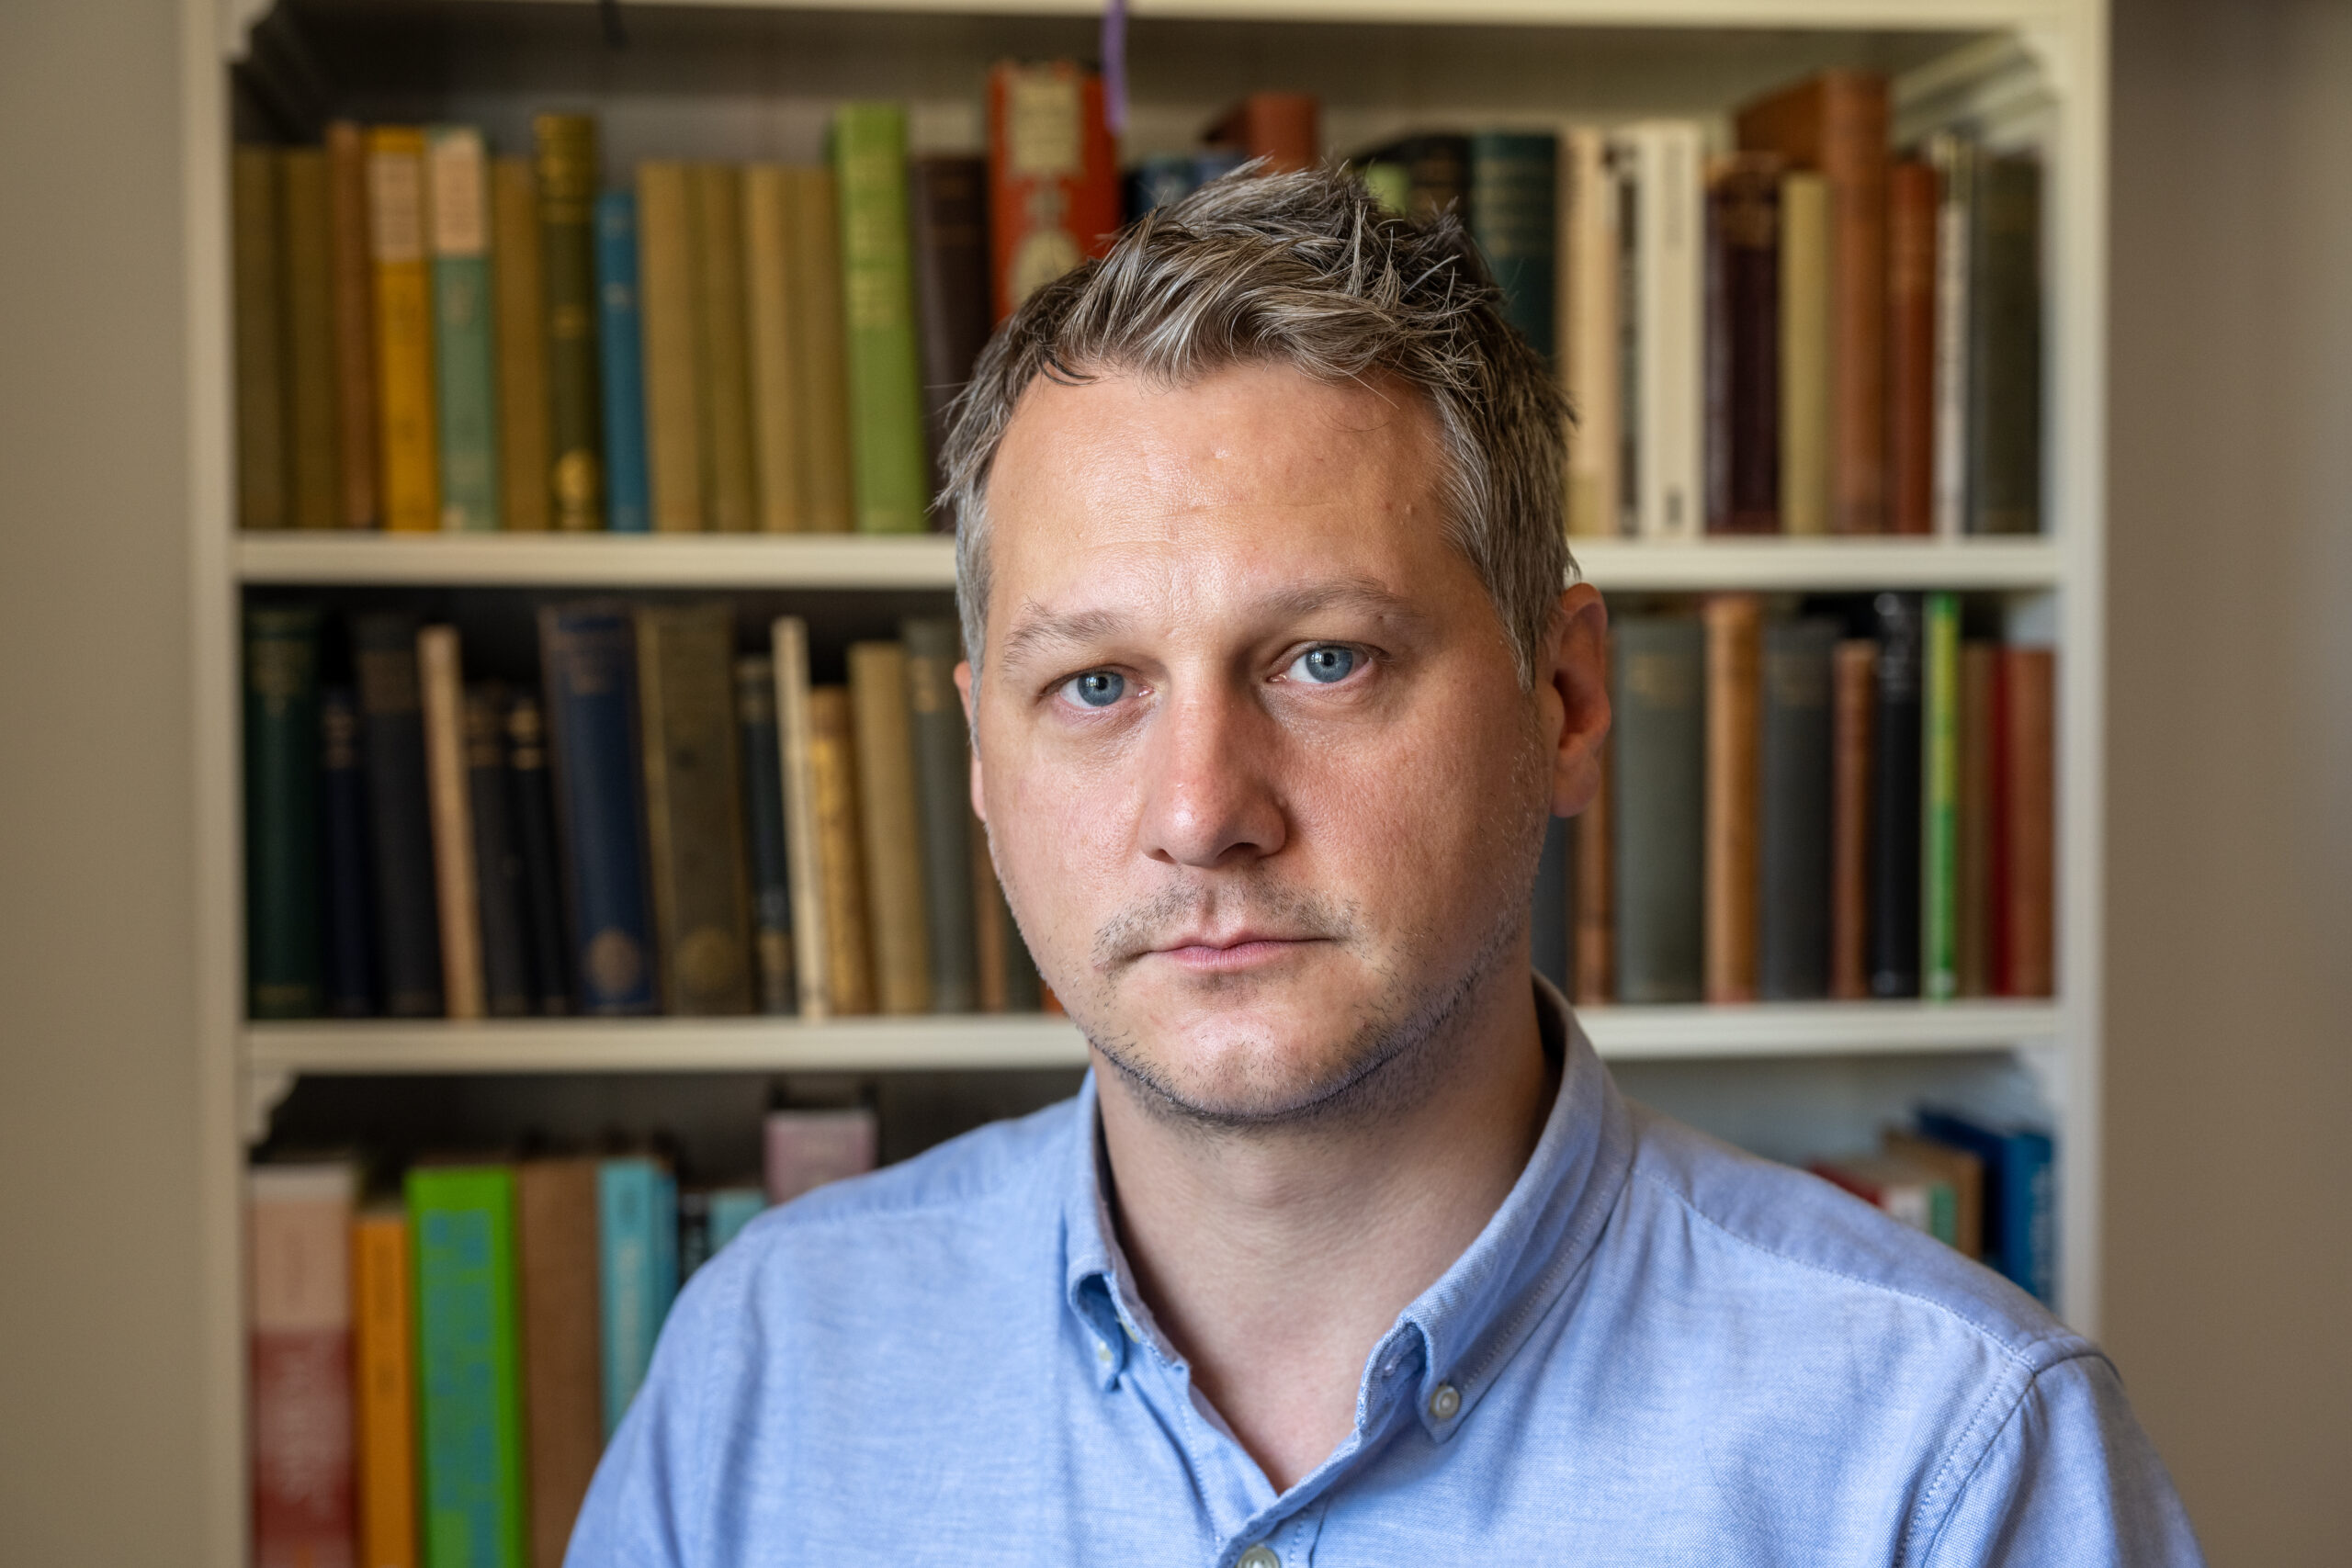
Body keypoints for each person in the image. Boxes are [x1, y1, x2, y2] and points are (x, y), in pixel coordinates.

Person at [567, 169, 2200, 1566]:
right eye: (1097, 686)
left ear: (1559, 702)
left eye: (1326, 661)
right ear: (983, 764)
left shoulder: (1951, 1459)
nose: (1202, 811)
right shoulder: (762, 1375)